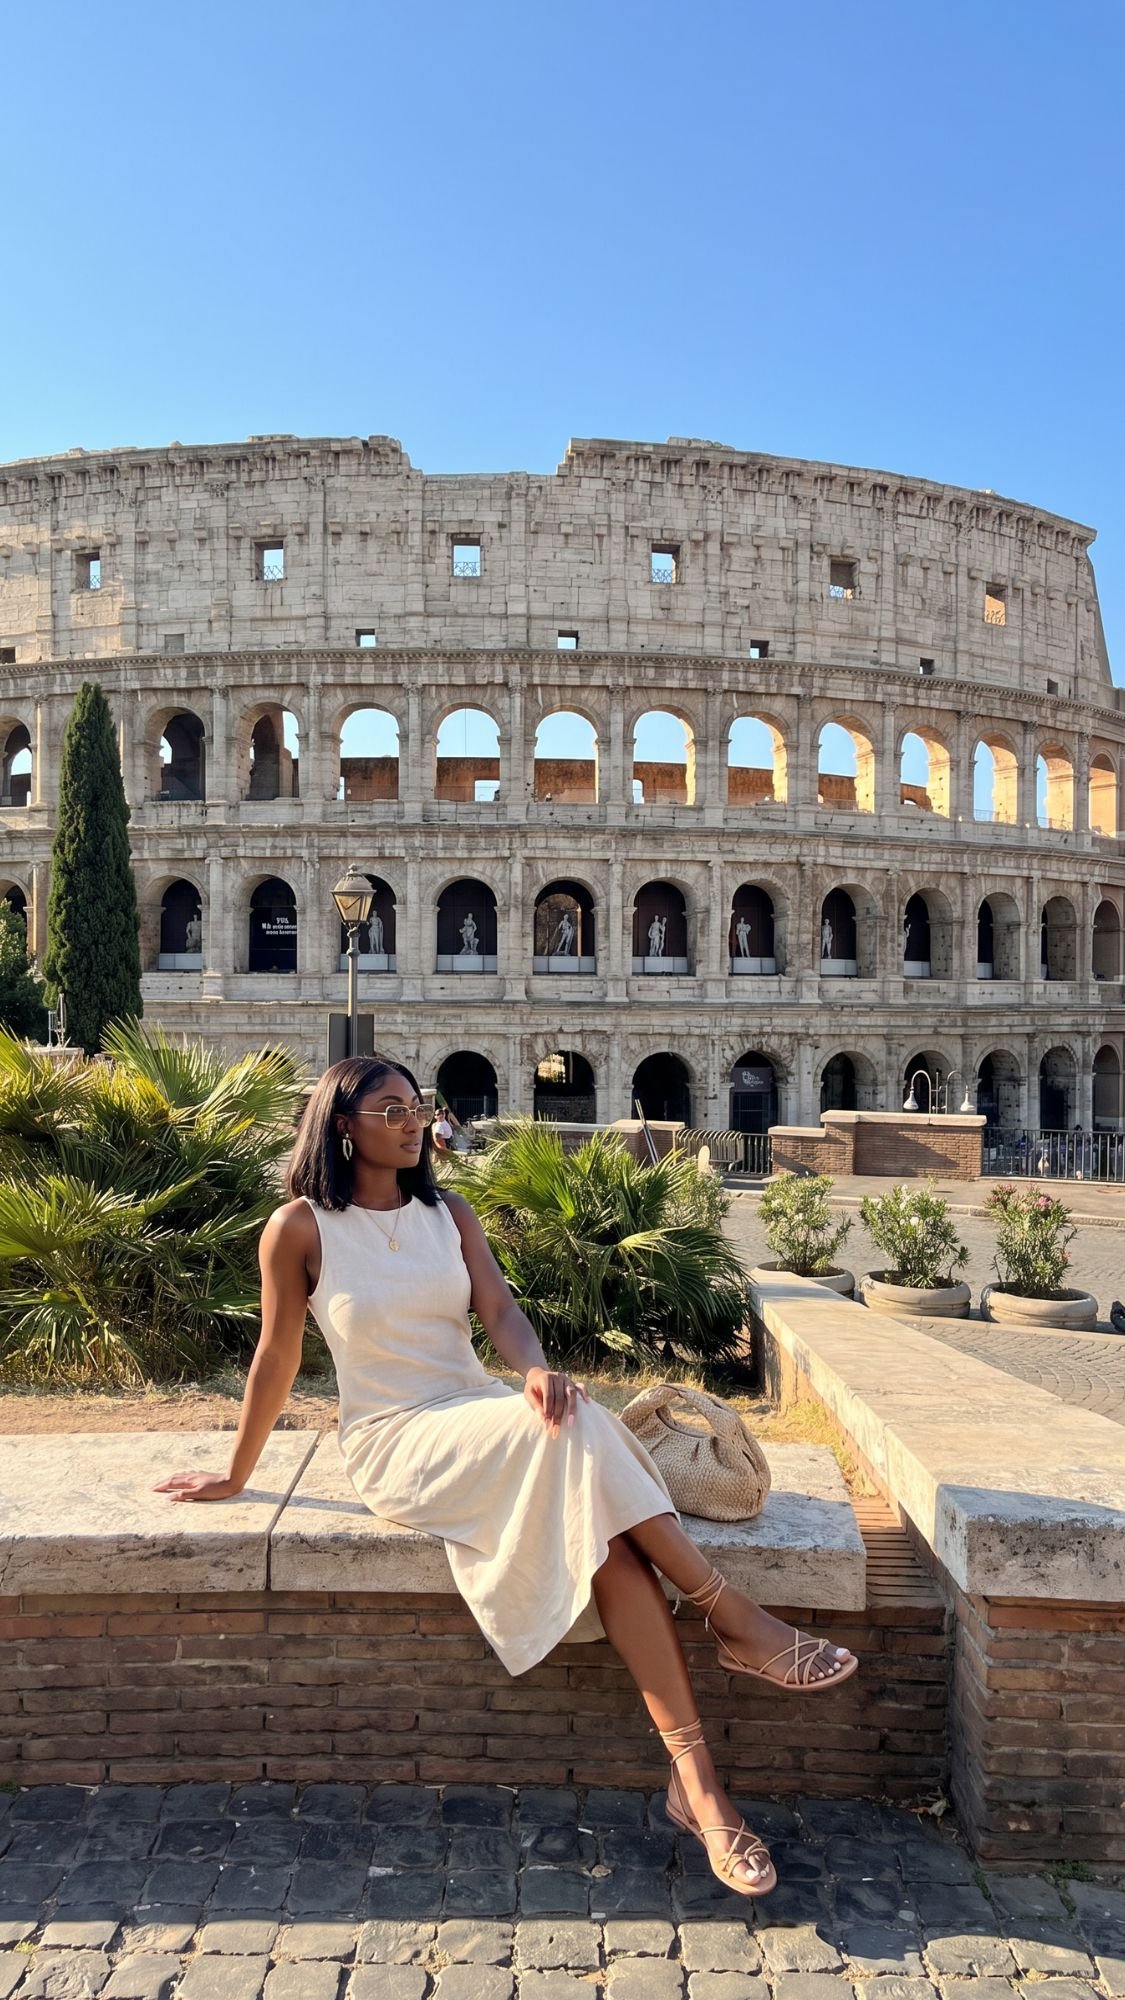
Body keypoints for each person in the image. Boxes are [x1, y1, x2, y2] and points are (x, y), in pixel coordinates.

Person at [155, 1055, 857, 1898]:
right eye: (390, 1111)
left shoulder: (448, 1212)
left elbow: (500, 1312)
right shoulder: (299, 1228)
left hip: (478, 1410)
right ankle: (730, 1614)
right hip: (393, 1437)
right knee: (567, 1432)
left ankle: (697, 1785)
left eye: (417, 1108)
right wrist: (237, 1472)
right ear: (343, 1127)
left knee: (599, 1517)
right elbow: (276, 1355)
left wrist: (530, 1370)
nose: (413, 1123)